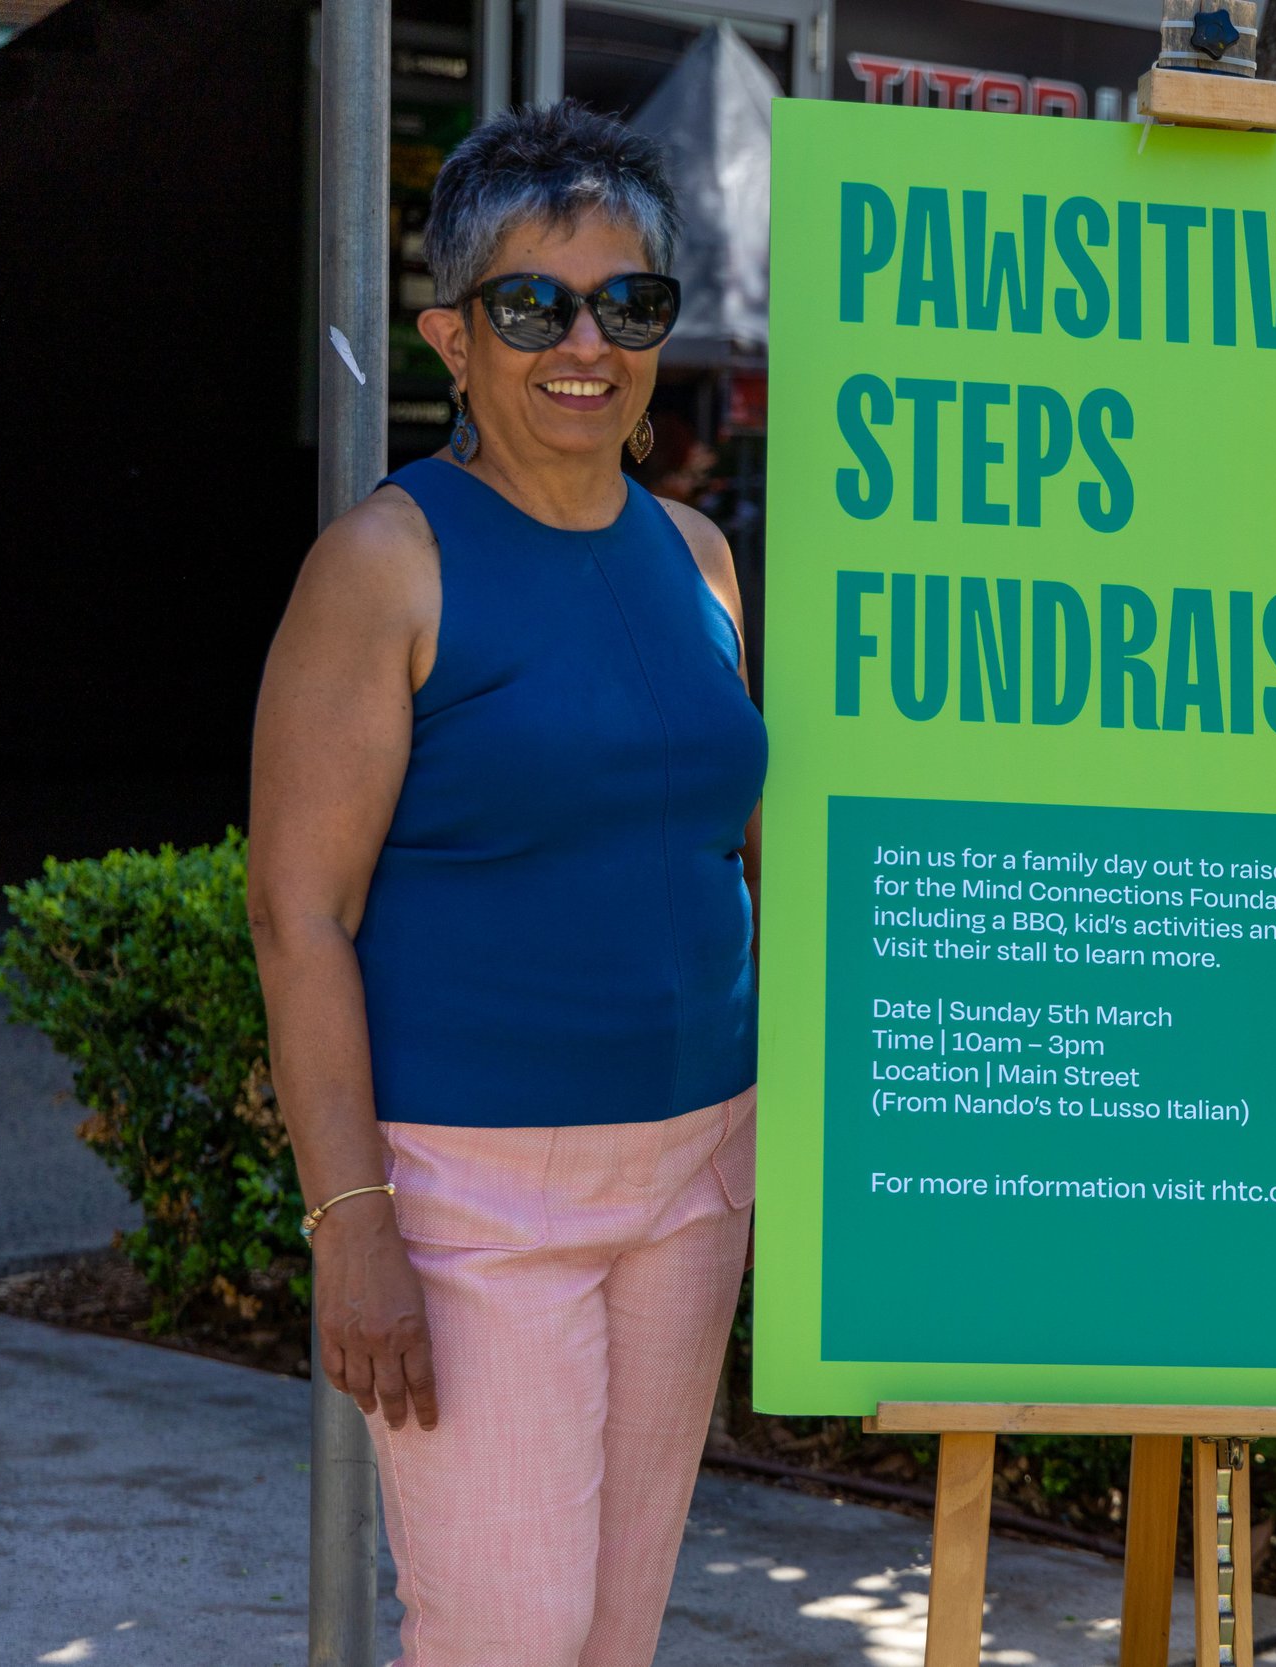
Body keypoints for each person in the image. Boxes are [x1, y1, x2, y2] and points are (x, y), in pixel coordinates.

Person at [247, 101, 766, 1667]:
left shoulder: (700, 557)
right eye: (535, 304)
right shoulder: (388, 563)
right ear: (452, 338)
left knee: (614, 1630)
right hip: (471, 1192)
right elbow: (299, 913)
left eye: (630, 303)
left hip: (698, 1168)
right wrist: (354, 1226)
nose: (585, 343)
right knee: (504, 1635)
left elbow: (729, 848)